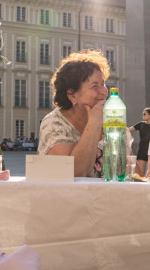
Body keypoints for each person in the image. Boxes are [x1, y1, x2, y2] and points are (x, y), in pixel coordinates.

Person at [38, 49, 130, 177]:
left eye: (103, 84)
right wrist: (94, 123)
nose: (104, 91)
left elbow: (132, 173)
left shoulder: (113, 122)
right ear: (72, 95)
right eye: (95, 86)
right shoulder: (54, 124)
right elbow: (74, 172)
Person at [129, 107, 150, 176]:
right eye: (142, 114)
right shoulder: (141, 124)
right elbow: (128, 129)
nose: (143, 116)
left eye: (144, 114)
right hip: (142, 151)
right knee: (141, 173)